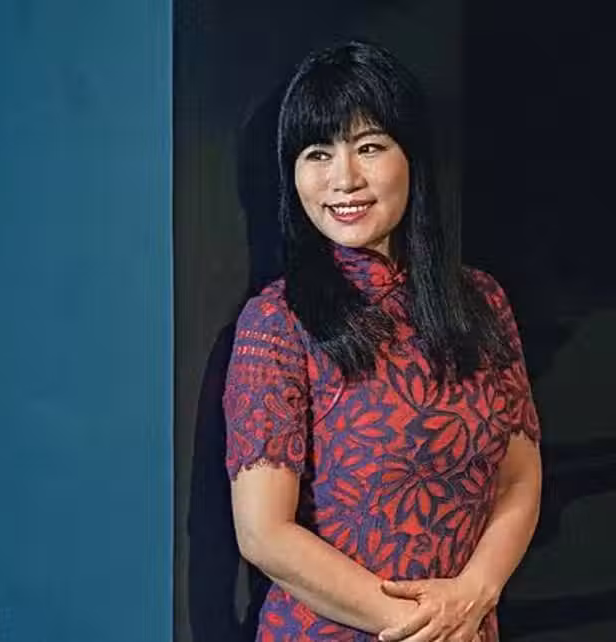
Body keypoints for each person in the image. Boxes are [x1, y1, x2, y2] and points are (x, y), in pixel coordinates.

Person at [223, 40, 542, 642]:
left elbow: (518, 479)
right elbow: (265, 533)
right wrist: (423, 627)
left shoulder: (482, 301)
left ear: (411, 157)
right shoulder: (277, 323)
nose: (344, 179)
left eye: (369, 147)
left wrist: (477, 590)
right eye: (318, 154)